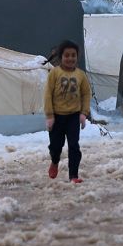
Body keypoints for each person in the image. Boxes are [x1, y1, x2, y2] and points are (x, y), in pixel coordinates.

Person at [44, 39, 91, 184]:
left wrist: (83, 113)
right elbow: (48, 94)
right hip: (57, 117)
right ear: (61, 57)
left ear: (77, 57)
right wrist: (50, 115)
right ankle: (54, 161)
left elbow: (86, 94)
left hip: (73, 117)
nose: (70, 58)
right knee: (56, 146)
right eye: (67, 55)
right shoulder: (54, 73)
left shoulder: (81, 75)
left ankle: (73, 175)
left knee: (74, 146)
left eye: (73, 55)